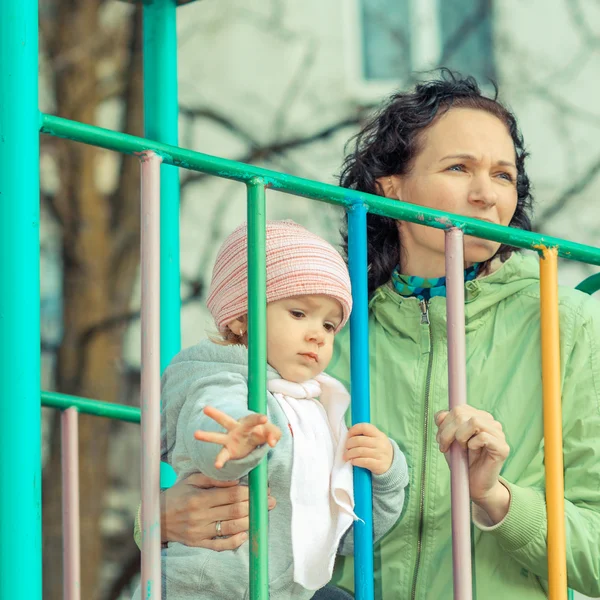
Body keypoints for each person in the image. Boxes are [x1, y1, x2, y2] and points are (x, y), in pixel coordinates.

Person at [149, 72, 600, 599]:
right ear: (391, 185)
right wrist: (155, 519)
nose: (485, 195)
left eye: (504, 175)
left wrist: (495, 497)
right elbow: (236, 467)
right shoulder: (323, 322)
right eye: (459, 168)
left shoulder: (566, 321)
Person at [132, 220, 409, 600]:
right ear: (240, 318)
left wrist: (387, 476)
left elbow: (350, 536)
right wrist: (238, 438)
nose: (318, 334)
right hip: (203, 589)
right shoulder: (223, 378)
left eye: (329, 325)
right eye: (298, 313)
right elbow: (214, 428)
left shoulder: (315, 411)